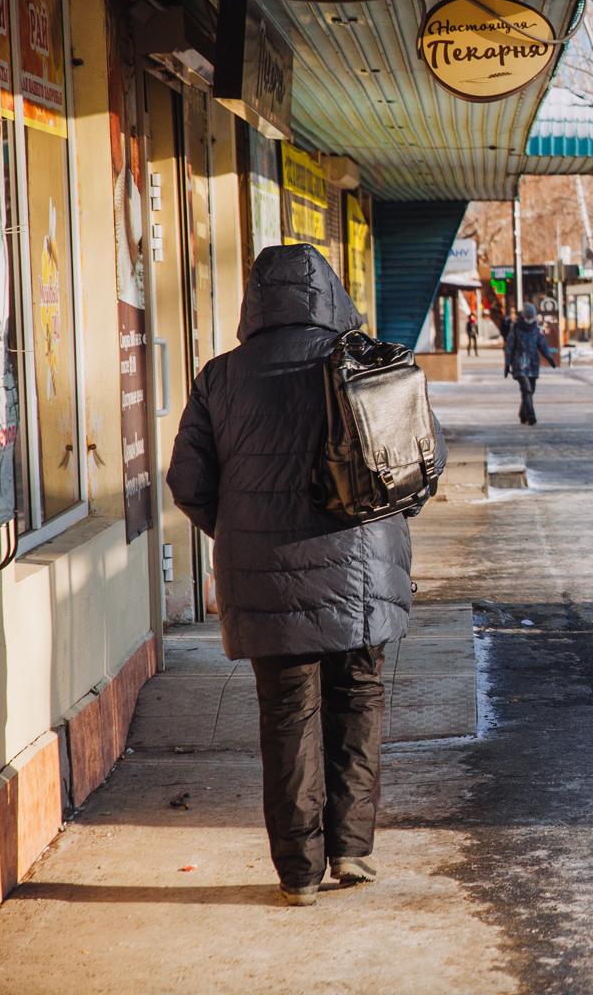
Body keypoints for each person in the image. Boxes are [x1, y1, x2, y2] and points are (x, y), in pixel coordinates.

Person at [167, 244, 446, 907]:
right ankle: (351, 850)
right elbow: (421, 465)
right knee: (359, 701)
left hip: (265, 581)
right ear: (330, 291)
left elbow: (188, 483)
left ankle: (297, 874)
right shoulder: (367, 359)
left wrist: (243, 534)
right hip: (363, 568)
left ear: (255, 300)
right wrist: (381, 522)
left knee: (287, 716)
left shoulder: (220, 378)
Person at [505, 302, 558, 425]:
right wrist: (507, 364)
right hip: (519, 364)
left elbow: (542, 345)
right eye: (527, 317)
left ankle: (522, 413)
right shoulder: (516, 328)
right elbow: (509, 346)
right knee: (527, 389)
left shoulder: (536, 329)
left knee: (530, 390)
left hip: (533, 365)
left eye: (531, 317)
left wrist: (549, 358)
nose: (529, 320)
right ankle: (531, 416)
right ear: (523, 316)